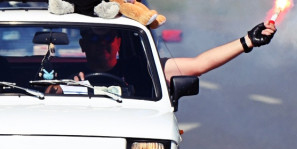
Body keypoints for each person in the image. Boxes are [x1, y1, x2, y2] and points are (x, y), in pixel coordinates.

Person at [46, 21, 277, 95]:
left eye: (109, 37)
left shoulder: (145, 70)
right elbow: (44, 96)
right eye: (95, 39)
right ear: (83, 45)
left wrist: (247, 41)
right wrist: (60, 91)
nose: (102, 44)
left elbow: (199, 65)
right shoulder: (65, 75)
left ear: (118, 41)